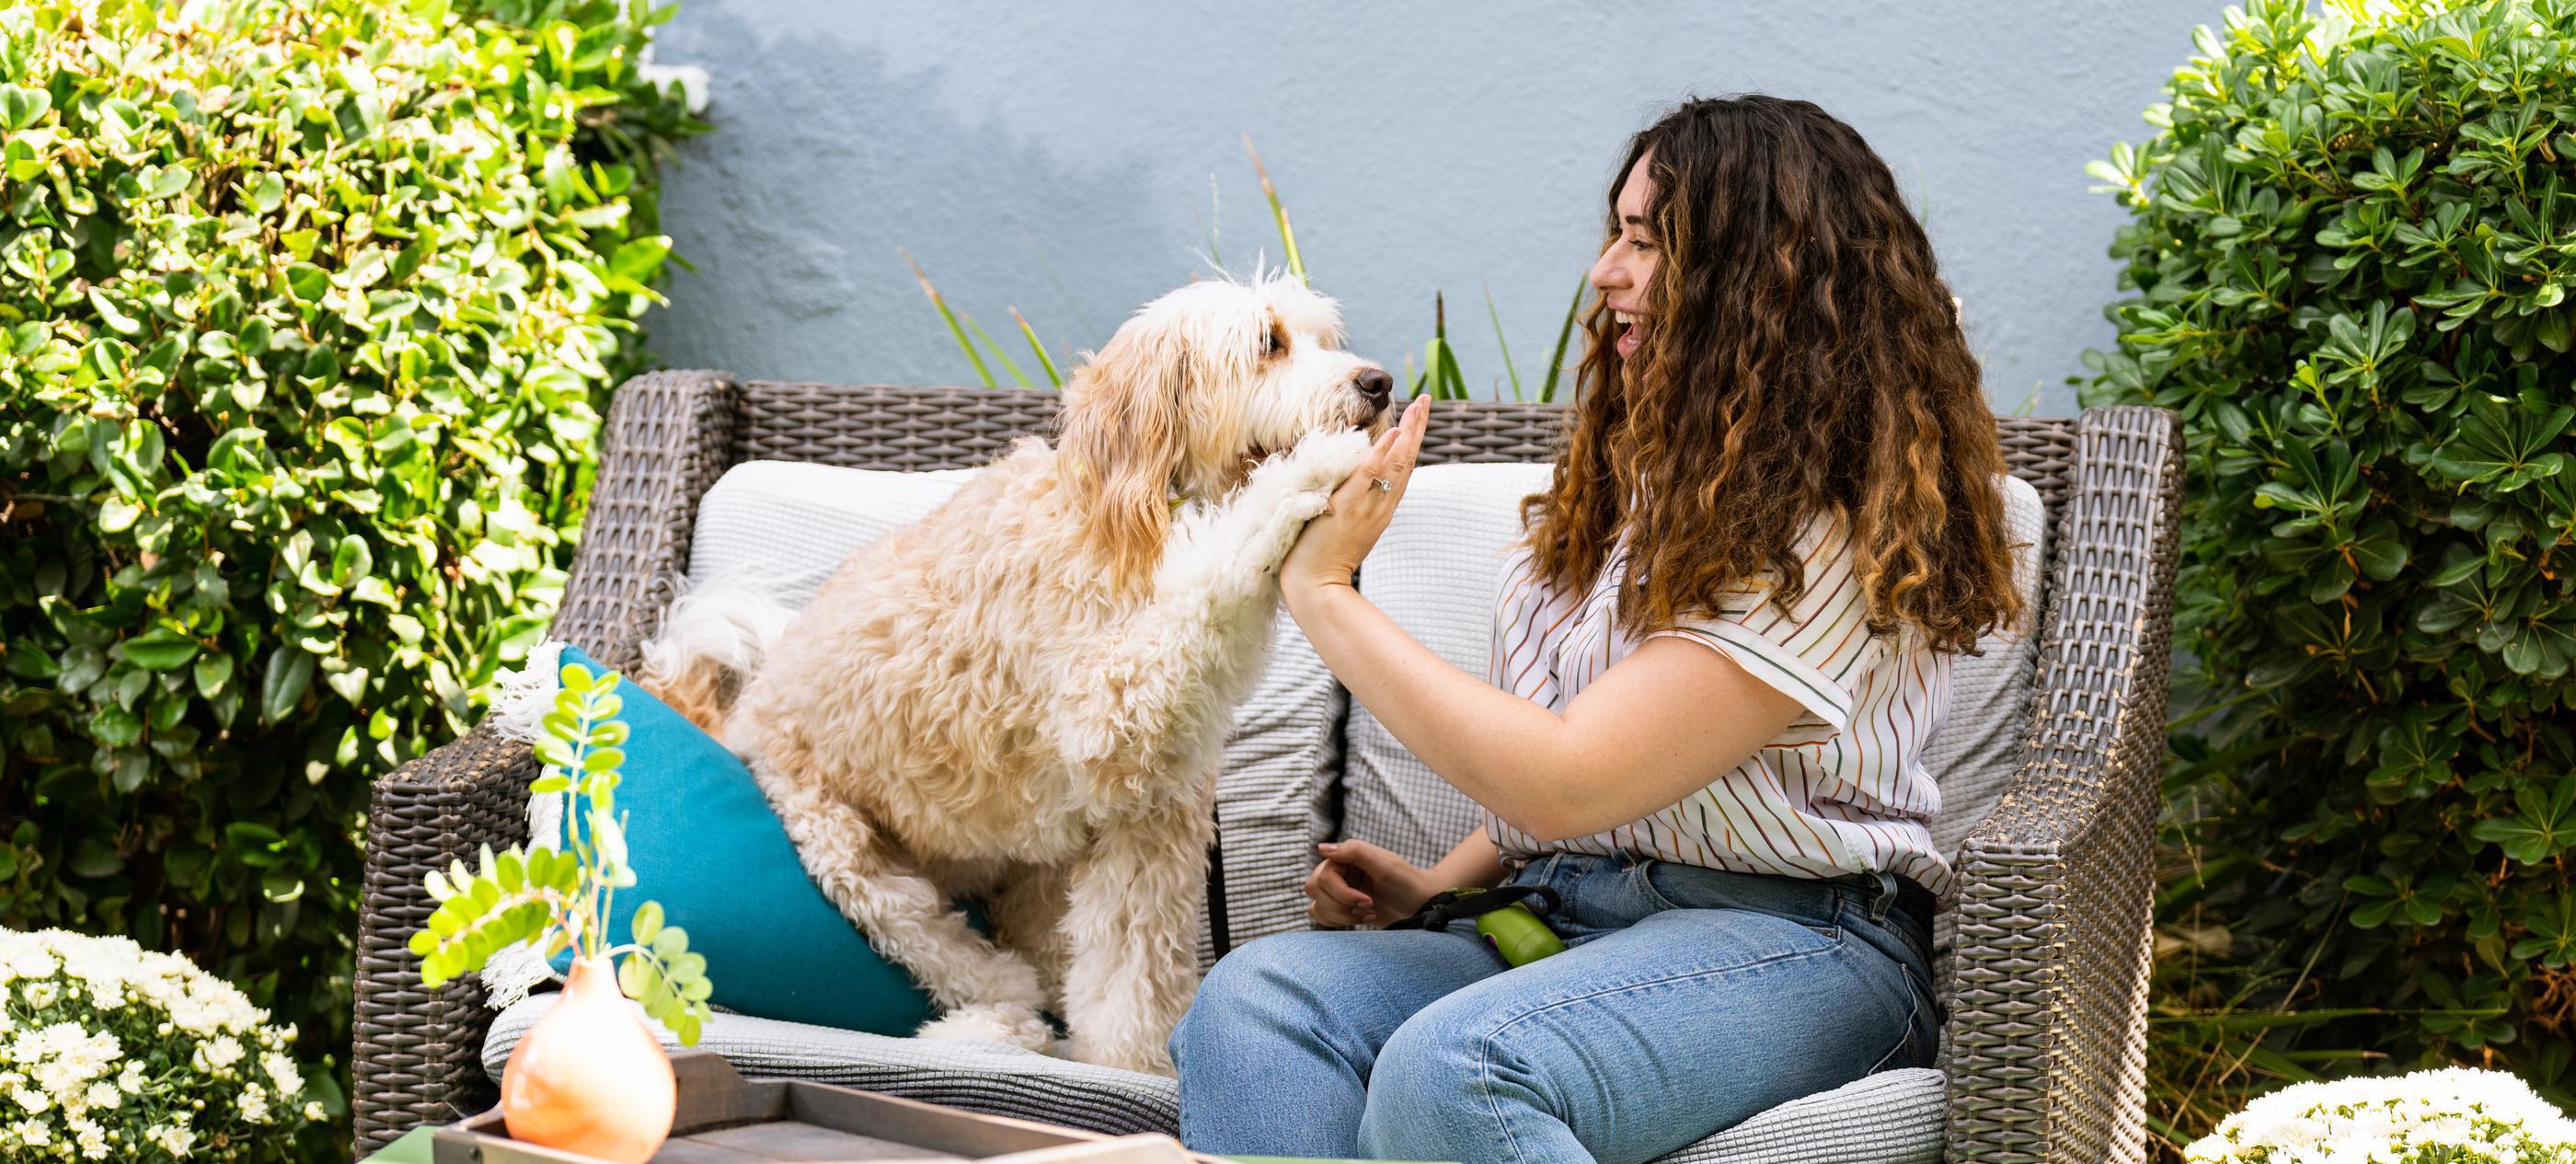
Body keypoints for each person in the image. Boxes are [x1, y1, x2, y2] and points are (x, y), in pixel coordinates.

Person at [1167, 93, 2028, 1164]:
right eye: (1613, 232)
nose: (1604, 271)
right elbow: (1603, 786)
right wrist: (1445, 883)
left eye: (1643, 241)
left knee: (1462, 1068)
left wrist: (1327, 590)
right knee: (1255, 1004)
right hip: (1571, 911)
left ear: (1759, 277)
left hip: (1800, 940)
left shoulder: (1830, 529)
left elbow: (1568, 777)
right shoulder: (1633, 488)